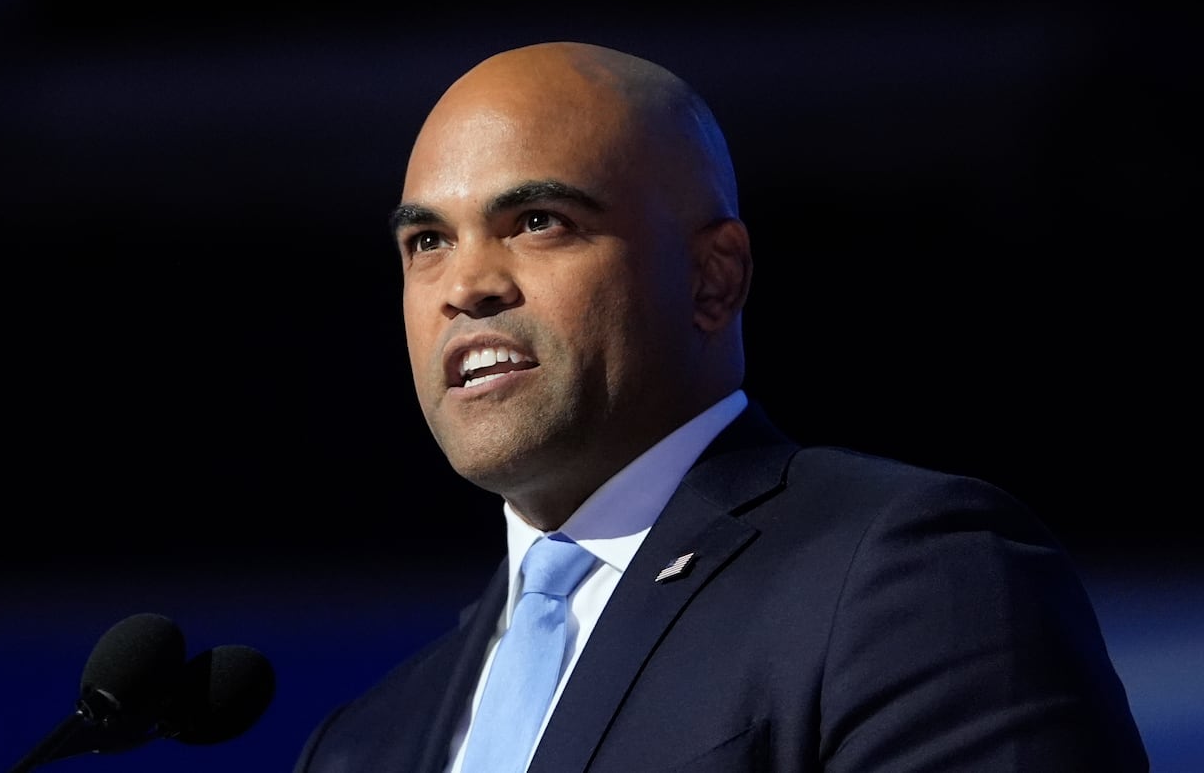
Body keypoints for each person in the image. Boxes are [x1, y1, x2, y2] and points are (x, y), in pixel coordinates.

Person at [291, 41, 1149, 772]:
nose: (466, 285)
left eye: (539, 221)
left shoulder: (908, 580)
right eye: (427, 241)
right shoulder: (368, 742)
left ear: (713, 278)